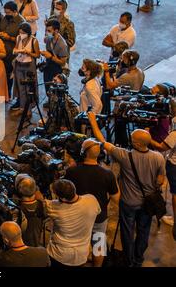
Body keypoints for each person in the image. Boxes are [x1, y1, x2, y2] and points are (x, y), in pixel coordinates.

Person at [88, 112, 167, 267]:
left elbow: (102, 141)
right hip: (147, 203)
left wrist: (93, 121)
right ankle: (138, 259)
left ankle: (129, 260)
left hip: (129, 202)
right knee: (143, 231)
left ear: (136, 144)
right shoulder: (158, 157)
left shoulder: (124, 155)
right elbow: (160, 180)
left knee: (127, 232)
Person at [65, 139, 120, 267]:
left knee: (77, 244)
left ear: (82, 153)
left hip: (77, 215)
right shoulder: (108, 174)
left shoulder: (71, 172)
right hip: (99, 217)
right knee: (99, 246)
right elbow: (116, 198)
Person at [45, 179, 101, 267]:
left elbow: (42, 202)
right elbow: (98, 211)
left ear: (62, 198)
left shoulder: (53, 206)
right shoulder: (91, 199)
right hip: (81, 255)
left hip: (59, 254)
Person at [150, 130, 176, 241]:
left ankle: (175, 220)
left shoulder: (175, 134)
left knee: (175, 193)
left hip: (175, 166)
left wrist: (148, 138)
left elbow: (161, 147)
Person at [0, 1, 25, 99]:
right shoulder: (6, 18)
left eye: (8, 12)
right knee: (2, 74)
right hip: (2, 51)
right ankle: (3, 91)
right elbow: (1, 27)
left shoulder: (21, 22)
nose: (6, 15)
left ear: (15, 11)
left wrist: (9, 37)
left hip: (12, 54)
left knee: (10, 75)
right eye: (5, 12)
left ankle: (8, 93)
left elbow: (23, 40)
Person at [12, 22, 40, 116]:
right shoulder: (18, 38)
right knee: (21, 88)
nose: (21, 34)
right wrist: (17, 51)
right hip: (19, 65)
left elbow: (37, 55)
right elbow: (15, 49)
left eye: (23, 32)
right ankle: (22, 107)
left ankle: (29, 109)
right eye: (20, 32)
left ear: (28, 32)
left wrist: (29, 52)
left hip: (29, 66)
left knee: (29, 88)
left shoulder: (34, 41)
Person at [13, 175, 46, 247]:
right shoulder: (42, 205)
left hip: (20, 244)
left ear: (18, 191)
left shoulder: (17, 210)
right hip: (36, 242)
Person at [41, 20, 69, 92]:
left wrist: (50, 57)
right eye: (46, 30)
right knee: (48, 90)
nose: (47, 32)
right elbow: (45, 40)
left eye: (49, 30)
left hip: (57, 70)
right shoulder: (49, 38)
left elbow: (63, 62)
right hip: (48, 68)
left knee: (55, 92)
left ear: (56, 30)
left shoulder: (62, 44)